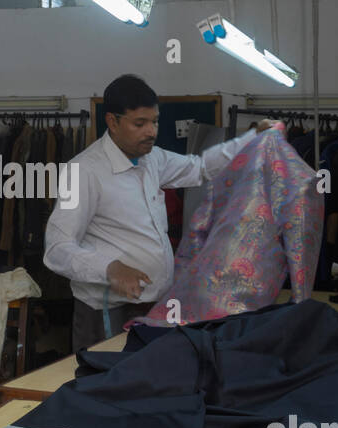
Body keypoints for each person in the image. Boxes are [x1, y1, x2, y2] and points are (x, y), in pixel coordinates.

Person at [43, 74, 276, 352]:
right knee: (107, 387)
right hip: (107, 313)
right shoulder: (81, 173)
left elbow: (199, 168)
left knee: (150, 385)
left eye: (154, 121)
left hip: (153, 305)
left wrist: (252, 139)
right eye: (139, 123)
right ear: (112, 122)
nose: (151, 131)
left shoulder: (151, 159)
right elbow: (57, 249)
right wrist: (109, 268)